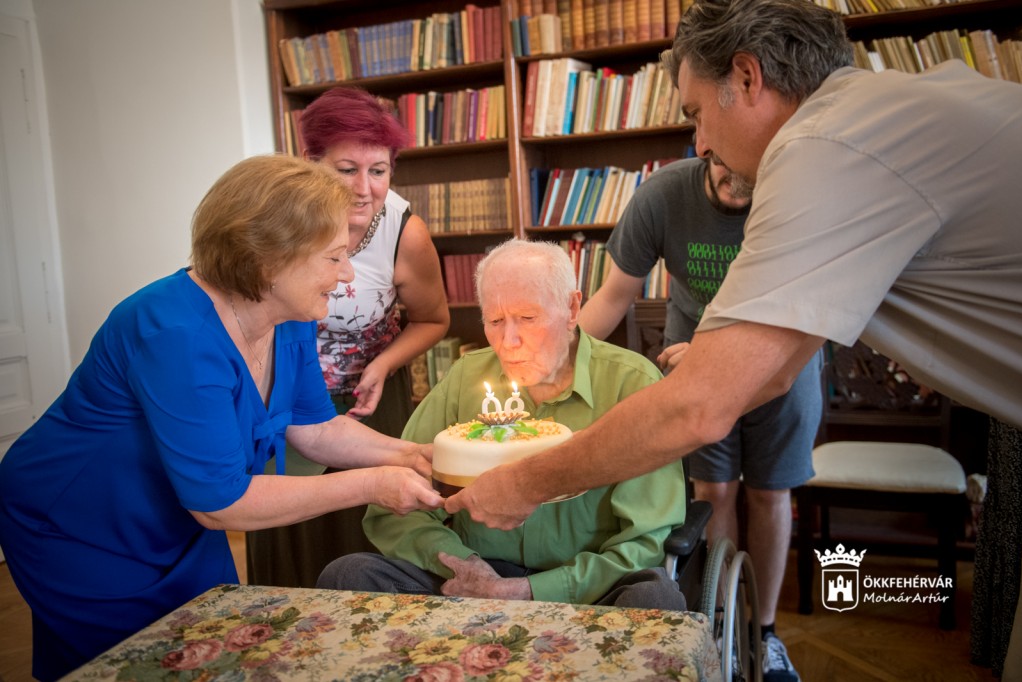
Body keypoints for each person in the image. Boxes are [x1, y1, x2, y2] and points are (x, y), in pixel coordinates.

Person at [445, 0, 1022, 673]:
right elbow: (770, 369)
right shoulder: (873, 112)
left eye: (696, 112)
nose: (699, 144)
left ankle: (762, 633)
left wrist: (526, 482)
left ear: (747, 77)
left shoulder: (822, 149)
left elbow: (701, 405)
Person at [0, 154, 444, 681]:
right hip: (80, 525)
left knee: (215, 646)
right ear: (267, 261)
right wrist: (372, 484)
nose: (346, 275)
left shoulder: (290, 312)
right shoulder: (176, 333)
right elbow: (221, 503)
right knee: (128, 667)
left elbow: (316, 429)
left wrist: (414, 455)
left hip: (180, 512)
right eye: (333, 258)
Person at [317, 239, 689, 611]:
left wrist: (530, 590)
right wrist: (466, 568)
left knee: (654, 598)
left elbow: (645, 540)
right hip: (472, 574)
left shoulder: (632, 383)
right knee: (349, 574)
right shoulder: (466, 378)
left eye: (527, 318)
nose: (508, 341)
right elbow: (398, 510)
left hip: (590, 585)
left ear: (572, 308)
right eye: (495, 321)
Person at [578, 154, 821, 681]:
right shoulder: (662, 194)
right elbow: (613, 296)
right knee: (715, 491)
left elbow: (809, 305)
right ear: (704, 141)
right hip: (692, 362)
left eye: (747, 173)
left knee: (770, 493)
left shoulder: (799, 190)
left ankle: (766, 633)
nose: (734, 182)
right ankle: (724, 625)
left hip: (783, 360)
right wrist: (557, 355)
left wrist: (725, 357)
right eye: (721, 166)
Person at [246, 86, 450, 587]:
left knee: (368, 533)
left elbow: (433, 319)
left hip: (366, 402)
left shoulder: (405, 233)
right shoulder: (277, 224)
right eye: (345, 169)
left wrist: (382, 364)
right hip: (284, 402)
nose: (363, 188)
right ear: (310, 163)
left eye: (378, 171)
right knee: (291, 531)